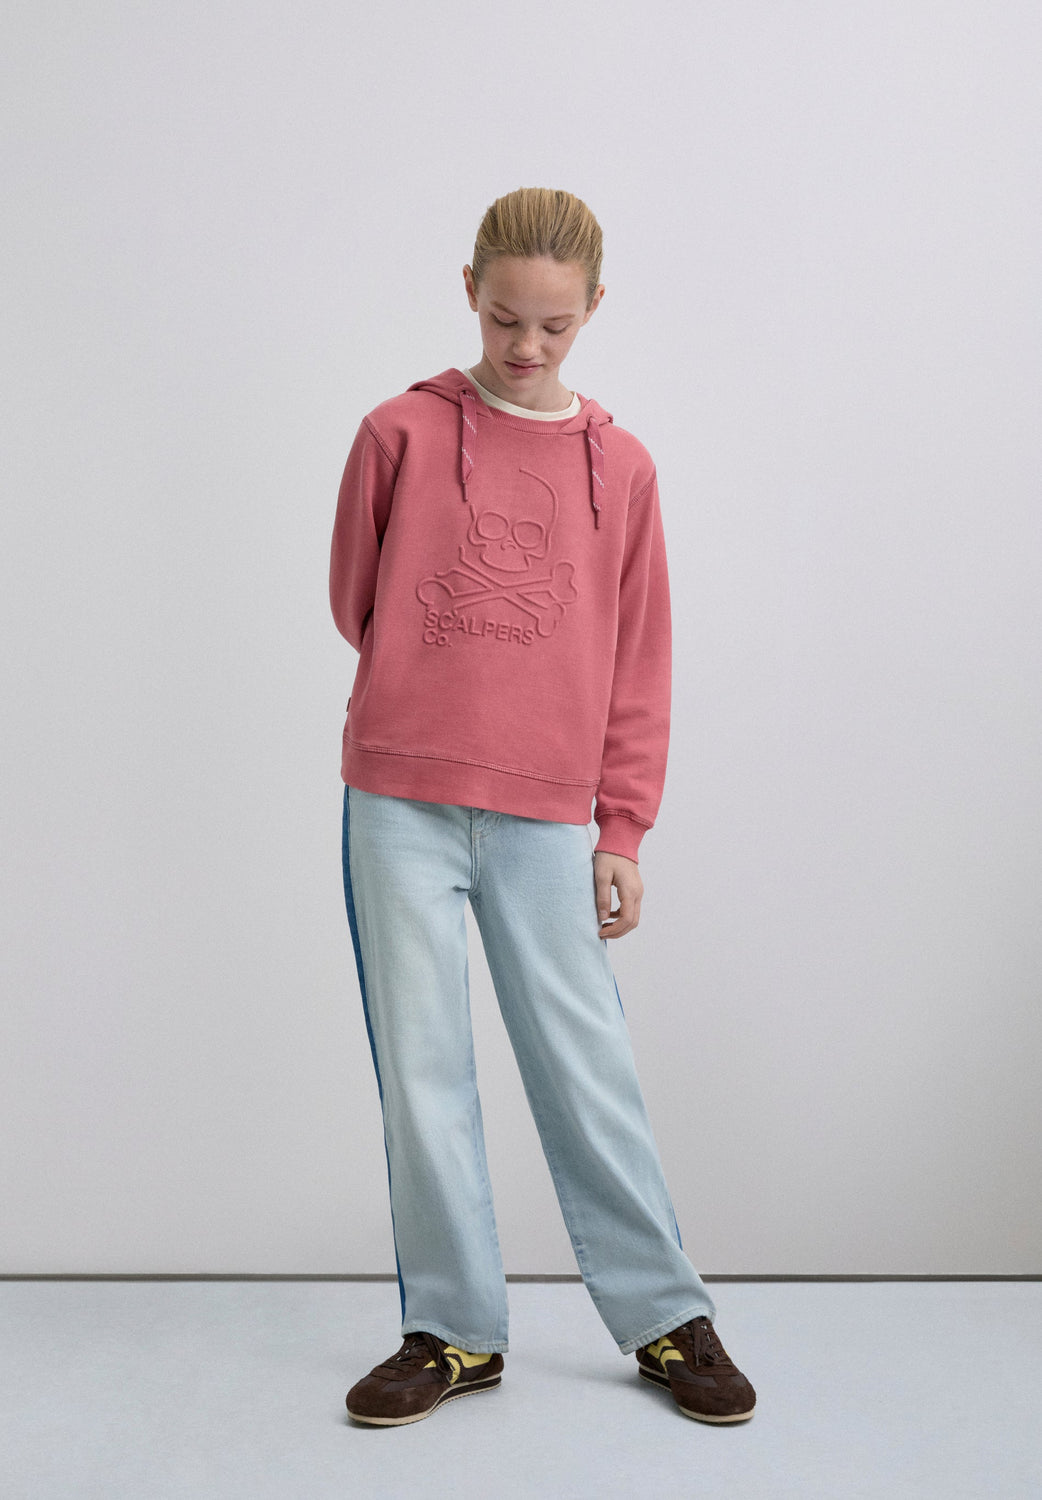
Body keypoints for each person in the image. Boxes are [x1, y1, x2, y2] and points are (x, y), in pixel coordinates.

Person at [329, 187, 755, 1427]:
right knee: (422, 1068)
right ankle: (452, 1332)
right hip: (399, 798)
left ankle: (664, 1314)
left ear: (593, 310)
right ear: (469, 291)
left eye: (553, 326)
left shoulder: (621, 466)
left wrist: (623, 826)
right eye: (505, 317)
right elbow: (358, 600)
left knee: (585, 1060)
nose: (526, 345)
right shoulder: (399, 432)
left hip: (549, 813)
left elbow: (639, 654)